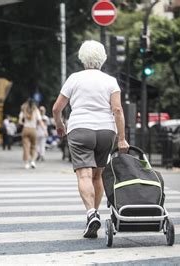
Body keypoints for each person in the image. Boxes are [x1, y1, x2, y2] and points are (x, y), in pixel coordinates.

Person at [52, 40, 129, 239]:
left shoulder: (74, 78)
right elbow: (118, 110)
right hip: (106, 131)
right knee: (98, 176)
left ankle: (90, 214)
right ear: (103, 58)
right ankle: (93, 215)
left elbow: (56, 108)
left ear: (82, 58)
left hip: (80, 129)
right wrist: (121, 139)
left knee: (84, 176)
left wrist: (60, 125)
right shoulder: (111, 80)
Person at [18, 98, 46, 169]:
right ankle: (33, 161)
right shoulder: (36, 111)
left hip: (25, 129)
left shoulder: (24, 110)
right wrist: (45, 130)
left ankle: (26, 163)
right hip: (33, 130)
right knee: (33, 146)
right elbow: (40, 121)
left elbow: (20, 122)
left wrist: (24, 122)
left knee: (26, 147)